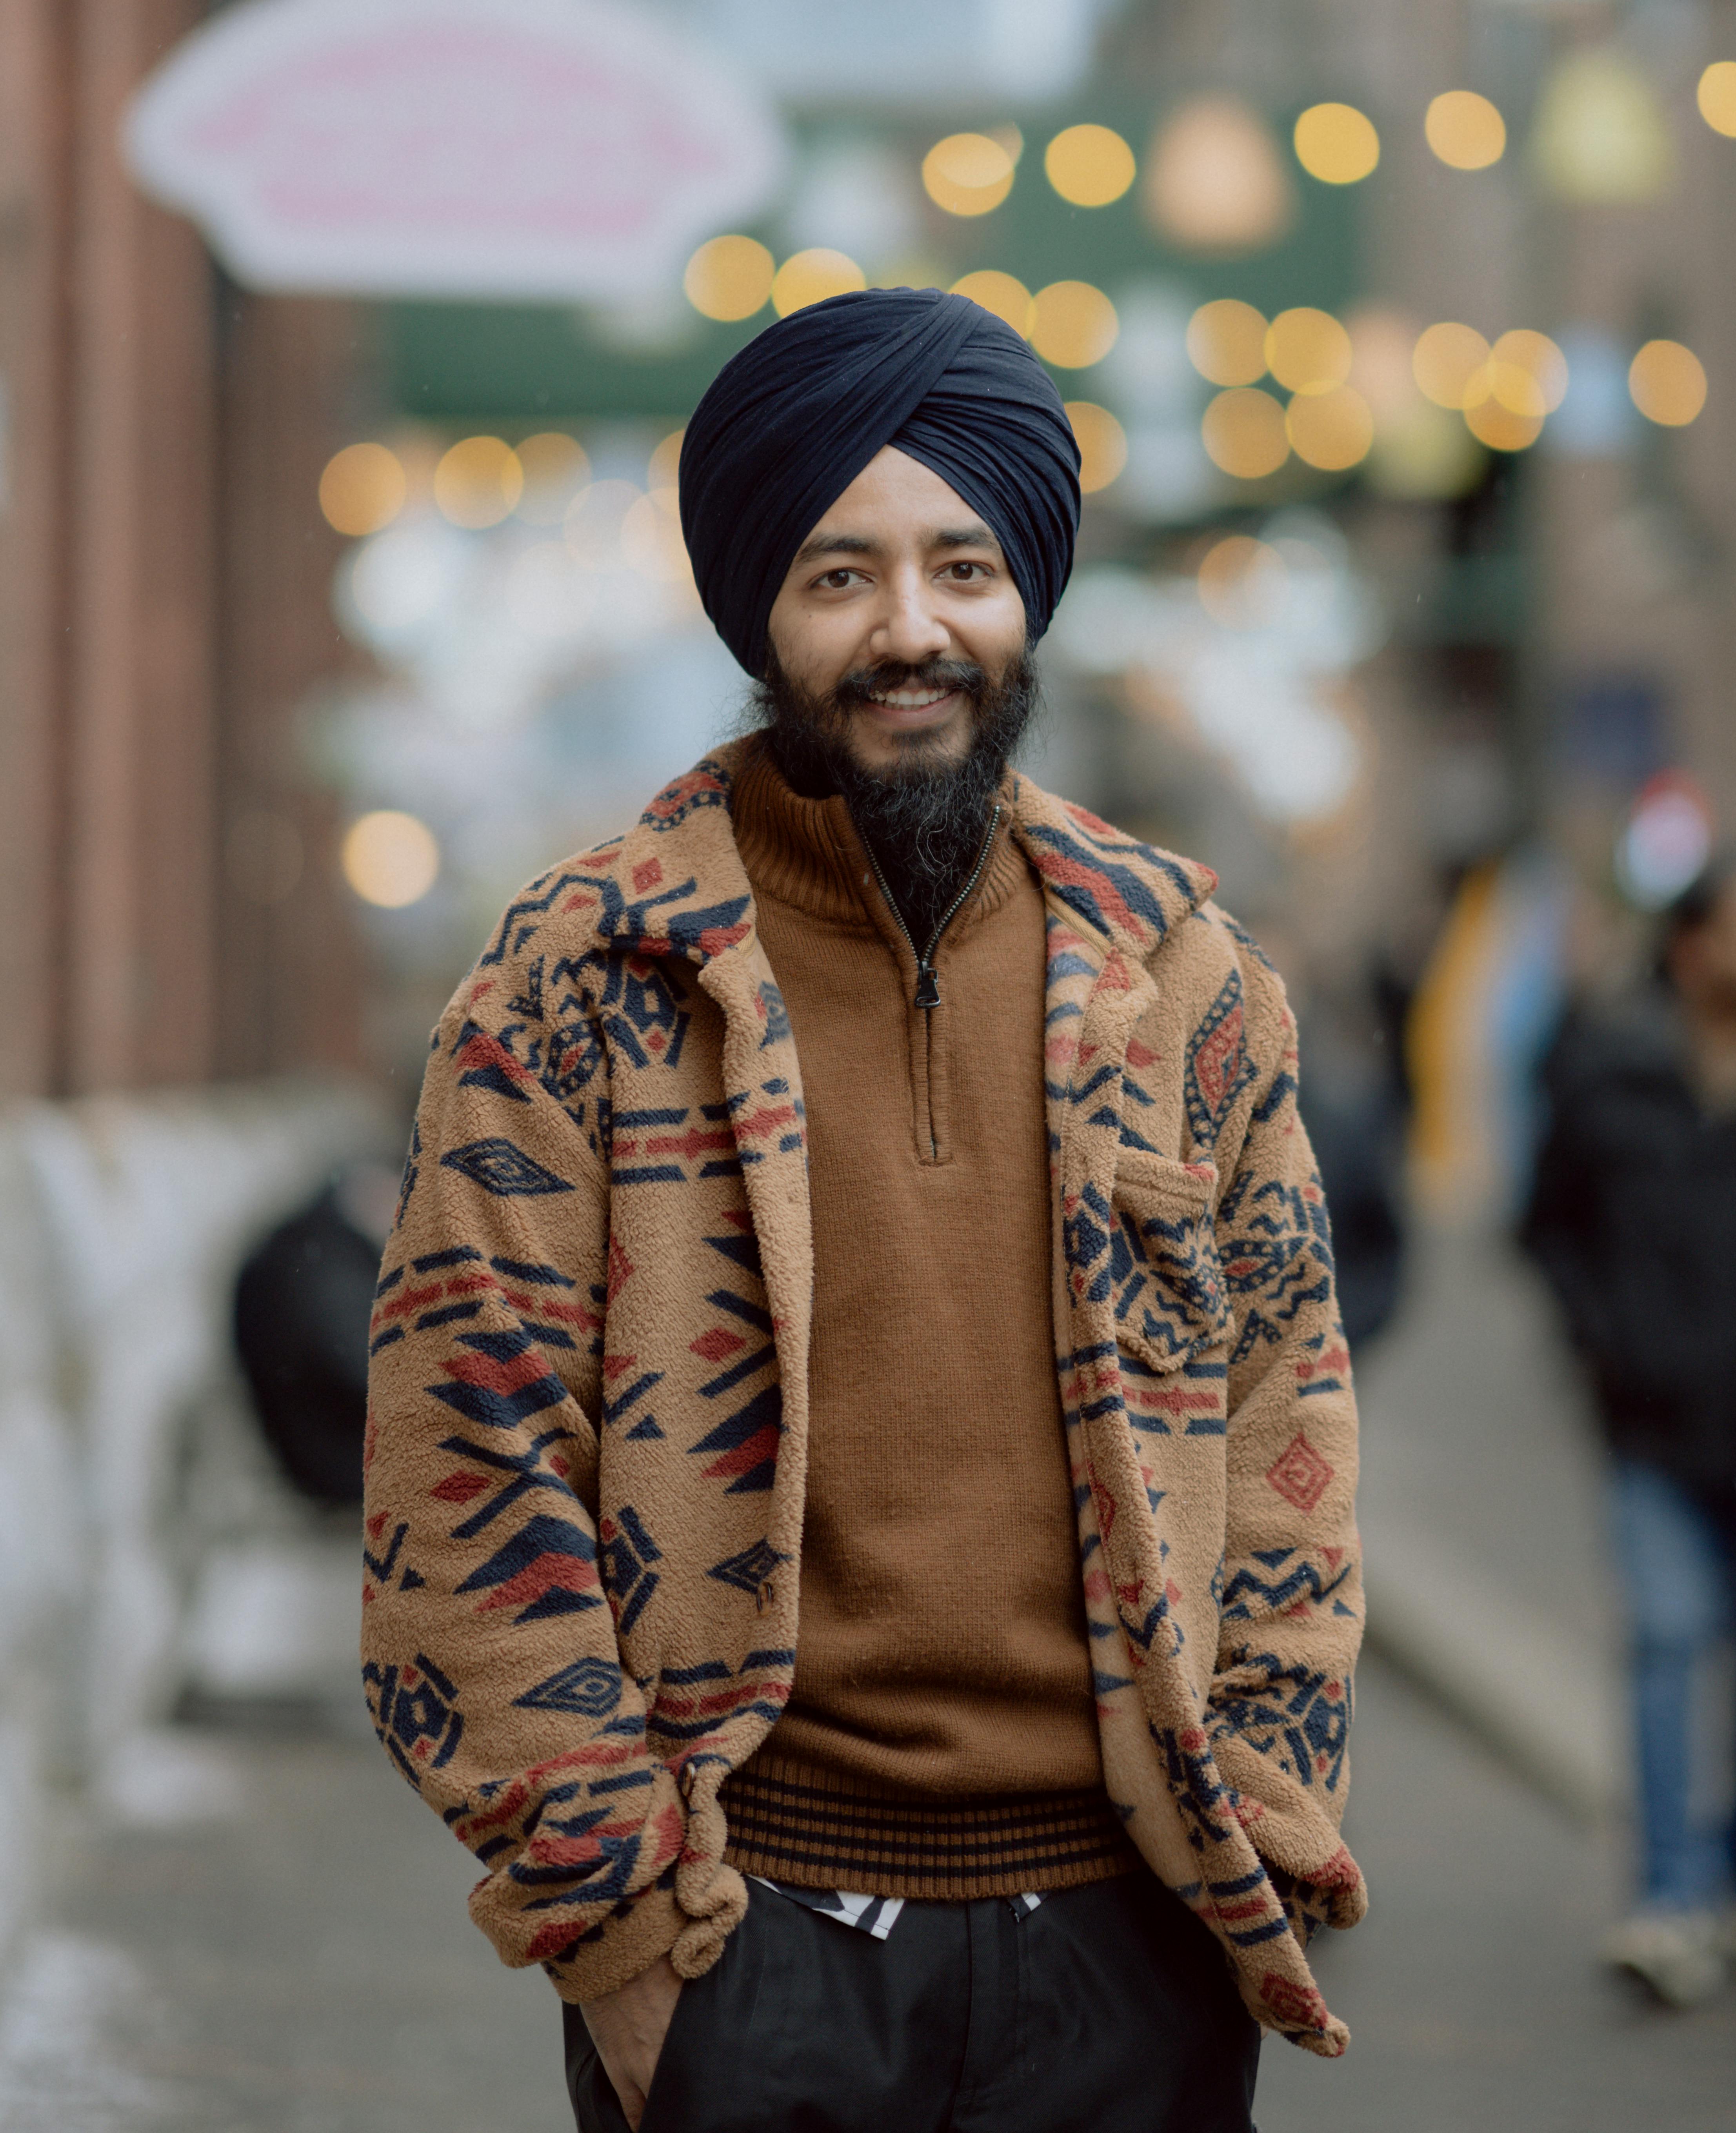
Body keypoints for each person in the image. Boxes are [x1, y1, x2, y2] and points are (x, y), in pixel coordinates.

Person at [362, 287, 1365, 2131]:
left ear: (1028, 593)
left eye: (962, 566)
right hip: (748, 1940)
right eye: (841, 575)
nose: (911, 631)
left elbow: (1287, 1401)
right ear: (761, 608)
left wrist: (1273, 1812)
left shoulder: (1185, 974)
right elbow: (460, 1470)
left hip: (1130, 1945)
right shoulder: (579, 980)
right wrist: (626, 1945)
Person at [1522, 852, 1736, 2007]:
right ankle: (1669, 1901)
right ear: (1694, 949)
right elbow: (1546, 1226)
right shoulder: (1611, 1071)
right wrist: (1603, 1340)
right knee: (1664, 1637)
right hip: (1652, 1431)